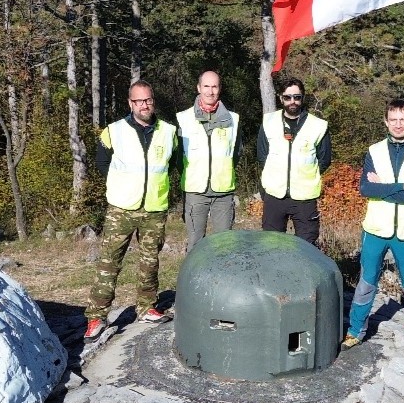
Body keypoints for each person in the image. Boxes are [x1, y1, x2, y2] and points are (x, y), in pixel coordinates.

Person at [343, 98, 404, 366]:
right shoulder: (374, 151)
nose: (398, 124)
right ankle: (355, 332)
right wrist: (400, 186)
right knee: (366, 282)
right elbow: (365, 189)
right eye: (393, 119)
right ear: (385, 122)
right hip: (375, 228)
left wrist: (383, 187)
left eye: (403, 119)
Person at [84, 81, 177, 342]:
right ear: (130, 103)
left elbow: (171, 164)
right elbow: (102, 161)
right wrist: (121, 185)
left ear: (153, 101)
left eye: (148, 100)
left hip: (154, 208)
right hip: (121, 208)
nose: (144, 105)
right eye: (139, 101)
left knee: (150, 262)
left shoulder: (169, 131)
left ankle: (146, 308)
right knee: (109, 263)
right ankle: (97, 317)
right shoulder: (113, 131)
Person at [257, 77, 331, 246]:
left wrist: (304, 176)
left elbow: (324, 159)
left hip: (305, 197)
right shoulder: (268, 122)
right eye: (288, 97)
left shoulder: (318, 126)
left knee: (306, 248)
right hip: (274, 195)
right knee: (271, 246)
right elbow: (262, 156)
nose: (292, 101)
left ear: (302, 98)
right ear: (281, 98)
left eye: (297, 97)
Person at [176, 70, 241, 251]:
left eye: (214, 86)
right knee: (195, 244)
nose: (210, 91)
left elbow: (236, 153)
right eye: (206, 86)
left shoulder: (234, 120)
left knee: (224, 245)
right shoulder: (183, 118)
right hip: (195, 191)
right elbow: (178, 157)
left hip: (223, 193)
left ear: (220, 89)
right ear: (198, 88)